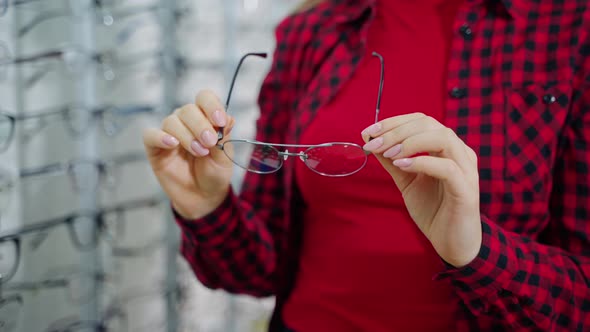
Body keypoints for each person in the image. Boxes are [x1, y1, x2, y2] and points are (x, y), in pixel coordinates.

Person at [143, 0, 590, 330]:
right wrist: (207, 206)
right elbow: (258, 271)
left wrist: (477, 252)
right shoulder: (312, 32)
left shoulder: (571, 30)